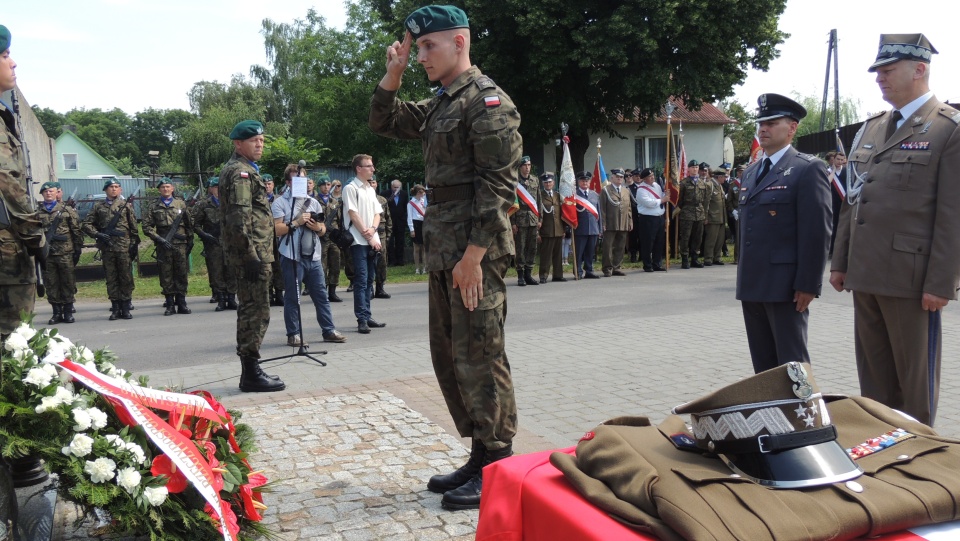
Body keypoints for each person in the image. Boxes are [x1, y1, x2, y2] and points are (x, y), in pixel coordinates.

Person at [369, 4, 520, 510]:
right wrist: (393, 72)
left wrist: (475, 255)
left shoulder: (487, 102)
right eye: (418, 49)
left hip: (473, 252)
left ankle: (499, 462)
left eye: (428, 46)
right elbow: (384, 121)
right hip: (444, 250)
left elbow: (499, 185)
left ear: (460, 42)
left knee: (481, 353)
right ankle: (481, 454)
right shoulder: (442, 103)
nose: (421, 57)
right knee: (452, 356)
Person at [830, 34, 960, 426]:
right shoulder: (870, 129)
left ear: (920, 69)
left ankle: (919, 459)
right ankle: (881, 451)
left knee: (913, 385)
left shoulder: (948, 129)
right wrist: (840, 261)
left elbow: (952, 214)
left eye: (888, 70)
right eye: (877, 72)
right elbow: (854, 200)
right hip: (865, 273)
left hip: (911, 278)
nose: (879, 79)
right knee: (874, 381)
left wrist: (941, 282)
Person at [738, 93, 832, 374]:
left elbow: (817, 231)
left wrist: (808, 284)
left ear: (792, 128)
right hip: (753, 282)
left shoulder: (807, 168)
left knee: (792, 364)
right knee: (763, 367)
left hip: (786, 286)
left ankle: (804, 417)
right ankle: (771, 417)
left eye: (771, 123)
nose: (763, 129)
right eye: (760, 123)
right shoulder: (751, 171)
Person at [218, 120, 285, 393]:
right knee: (254, 312)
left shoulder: (245, 170)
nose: (260, 144)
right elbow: (239, 219)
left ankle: (252, 368)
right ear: (238, 144)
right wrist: (250, 256)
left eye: (262, 140)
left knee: (255, 310)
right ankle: (250, 373)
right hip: (251, 255)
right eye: (253, 140)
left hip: (257, 252)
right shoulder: (240, 173)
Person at [0, 25, 46, 338]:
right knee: (12, 342)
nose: (13, 62)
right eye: (4, 55)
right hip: (6, 254)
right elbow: (7, 182)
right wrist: (35, 238)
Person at [272, 163, 346, 347]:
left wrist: (317, 227)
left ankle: (328, 330)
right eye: (298, 179)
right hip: (291, 257)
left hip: (313, 257)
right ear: (289, 182)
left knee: (321, 295)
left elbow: (322, 230)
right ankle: (294, 334)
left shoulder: (313, 202)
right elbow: (276, 230)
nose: (303, 183)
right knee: (292, 297)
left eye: (304, 179)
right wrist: (296, 222)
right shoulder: (280, 202)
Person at [82, 179, 139, 321]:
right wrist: (98, 234)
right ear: (105, 190)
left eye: (116, 187)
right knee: (111, 278)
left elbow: (134, 228)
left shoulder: (125, 206)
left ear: (120, 190)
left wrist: (133, 245)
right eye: (111, 187)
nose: (114, 189)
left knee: (125, 277)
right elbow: (87, 224)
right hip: (107, 248)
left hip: (123, 247)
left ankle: (125, 307)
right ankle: (115, 308)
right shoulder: (98, 206)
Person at [341, 154, 386, 334]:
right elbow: (353, 214)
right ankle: (361, 318)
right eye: (368, 166)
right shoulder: (351, 188)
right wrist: (368, 235)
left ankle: (367, 315)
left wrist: (373, 230)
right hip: (358, 241)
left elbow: (377, 213)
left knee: (369, 279)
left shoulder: (369, 189)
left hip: (370, 238)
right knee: (360, 279)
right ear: (358, 168)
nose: (372, 169)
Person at [142, 177, 194, 316]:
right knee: (166, 274)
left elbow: (189, 224)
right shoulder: (154, 206)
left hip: (179, 244)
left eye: (168, 186)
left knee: (181, 272)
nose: (165, 189)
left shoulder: (181, 204)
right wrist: (158, 239)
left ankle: (182, 303)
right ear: (159, 189)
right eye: (163, 187)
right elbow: (146, 227)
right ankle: (170, 304)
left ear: (172, 188)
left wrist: (190, 240)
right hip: (163, 244)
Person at [37, 181, 81, 324]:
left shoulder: (66, 210)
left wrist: (78, 249)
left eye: (51, 191)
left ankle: (67, 312)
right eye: (46, 191)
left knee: (67, 282)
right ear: (42, 194)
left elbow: (76, 230)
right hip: (47, 254)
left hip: (65, 252)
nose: (48, 193)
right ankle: (56, 313)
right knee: (51, 283)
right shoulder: (37, 212)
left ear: (57, 193)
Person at [192, 177, 238, 311]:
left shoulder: (231, 202)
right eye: (216, 187)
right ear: (210, 189)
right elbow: (194, 224)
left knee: (231, 271)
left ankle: (231, 298)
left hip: (230, 243)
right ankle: (221, 299)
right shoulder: (203, 204)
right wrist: (204, 235)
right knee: (216, 271)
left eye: (221, 186)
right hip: (213, 243)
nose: (219, 189)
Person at [511, 156, 541, 286]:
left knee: (532, 247)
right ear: (520, 167)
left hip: (533, 218)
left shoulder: (535, 180)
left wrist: (540, 218)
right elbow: (511, 203)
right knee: (520, 247)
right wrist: (512, 222)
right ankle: (520, 275)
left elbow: (538, 200)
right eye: (525, 165)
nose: (527, 167)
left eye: (529, 165)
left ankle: (529, 273)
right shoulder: (514, 181)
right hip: (520, 219)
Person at [314, 174, 343, 302]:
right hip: (321, 238)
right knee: (322, 266)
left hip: (334, 238)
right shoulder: (314, 201)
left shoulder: (335, 202)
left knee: (335, 264)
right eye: (323, 185)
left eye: (328, 185)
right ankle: (322, 291)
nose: (326, 187)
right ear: (319, 187)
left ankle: (333, 291)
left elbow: (340, 220)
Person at [676, 160, 708, 269]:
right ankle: (685, 259)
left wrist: (705, 214)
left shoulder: (702, 183)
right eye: (693, 167)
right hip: (687, 212)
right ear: (688, 169)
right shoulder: (684, 183)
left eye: (696, 167)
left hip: (699, 212)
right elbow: (679, 201)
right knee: (685, 237)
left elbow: (705, 200)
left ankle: (695, 258)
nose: (695, 169)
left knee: (697, 237)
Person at [600, 168, 632, 276]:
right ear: (612, 177)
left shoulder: (626, 191)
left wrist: (630, 221)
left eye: (621, 177)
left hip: (623, 222)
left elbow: (629, 208)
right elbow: (602, 209)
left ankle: (616, 267)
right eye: (617, 177)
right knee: (608, 247)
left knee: (620, 246)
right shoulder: (606, 190)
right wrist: (603, 223)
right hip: (610, 222)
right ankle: (607, 268)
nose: (619, 179)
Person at [634, 168, 667, 272]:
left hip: (659, 217)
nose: (652, 177)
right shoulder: (641, 189)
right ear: (644, 179)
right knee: (648, 243)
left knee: (659, 241)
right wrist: (662, 200)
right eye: (649, 176)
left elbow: (661, 196)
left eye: (653, 175)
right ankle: (647, 264)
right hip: (648, 219)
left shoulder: (656, 185)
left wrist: (666, 194)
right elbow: (649, 203)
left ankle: (657, 263)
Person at [537, 173, 565, 283]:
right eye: (546, 182)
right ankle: (543, 275)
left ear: (553, 183)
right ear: (543, 183)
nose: (548, 184)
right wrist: (538, 232)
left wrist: (563, 229)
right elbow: (538, 213)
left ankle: (558, 275)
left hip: (558, 229)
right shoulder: (540, 195)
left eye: (550, 182)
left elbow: (561, 213)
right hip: (546, 230)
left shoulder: (557, 195)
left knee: (558, 255)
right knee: (546, 255)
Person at [573, 171, 601, 279]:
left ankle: (589, 270)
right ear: (578, 182)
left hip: (593, 228)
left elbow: (598, 212)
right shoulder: (574, 195)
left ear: (590, 181)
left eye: (587, 180)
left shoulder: (594, 194)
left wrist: (600, 228)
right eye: (582, 180)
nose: (585, 182)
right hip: (580, 228)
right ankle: (578, 271)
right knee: (579, 252)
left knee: (590, 252)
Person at [262, 173, 284, 306]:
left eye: (269, 184)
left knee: (279, 266)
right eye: (265, 184)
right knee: (267, 266)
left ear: (273, 185)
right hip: (265, 238)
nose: (267, 186)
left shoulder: (279, 200)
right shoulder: (258, 201)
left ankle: (280, 292)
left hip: (278, 237)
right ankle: (269, 294)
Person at [371, 176, 392, 299]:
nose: (372, 184)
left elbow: (388, 218)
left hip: (381, 234)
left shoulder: (382, 200)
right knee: (369, 262)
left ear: (376, 184)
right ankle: (369, 289)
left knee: (382, 262)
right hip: (369, 234)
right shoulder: (363, 198)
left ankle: (380, 288)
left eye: (373, 182)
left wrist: (388, 235)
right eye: (369, 182)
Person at [701, 168, 727, 266]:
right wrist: (705, 217)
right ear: (719, 177)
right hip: (712, 217)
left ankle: (717, 257)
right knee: (711, 239)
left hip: (721, 217)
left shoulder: (720, 186)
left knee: (720, 240)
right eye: (723, 177)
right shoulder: (710, 185)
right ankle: (708, 258)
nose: (725, 179)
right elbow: (706, 202)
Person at [387, 179, 408, 266]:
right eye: (395, 187)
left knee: (400, 241)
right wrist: (392, 196)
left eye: (398, 187)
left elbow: (405, 207)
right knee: (390, 241)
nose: (397, 189)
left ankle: (400, 260)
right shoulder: (386, 193)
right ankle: (392, 261)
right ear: (392, 186)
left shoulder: (404, 194)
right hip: (390, 221)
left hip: (400, 221)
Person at [406, 184, 427, 274]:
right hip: (416, 224)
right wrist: (411, 229)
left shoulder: (424, 201)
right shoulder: (411, 203)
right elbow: (409, 217)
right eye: (422, 193)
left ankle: (425, 268)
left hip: (424, 223)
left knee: (424, 247)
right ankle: (417, 268)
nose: (423, 194)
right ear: (418, 192)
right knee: (417, 248)